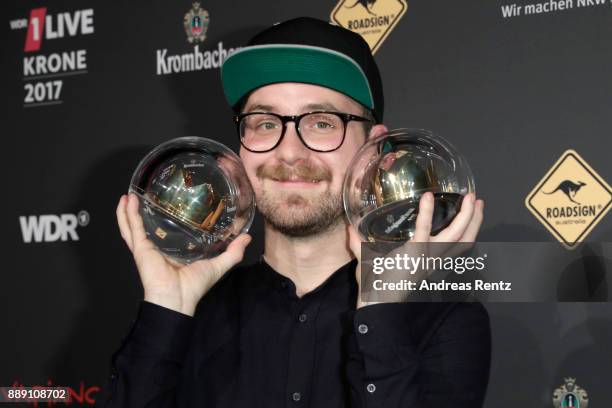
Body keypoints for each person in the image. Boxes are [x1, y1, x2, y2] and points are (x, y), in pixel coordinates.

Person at [101, 17, 490, 408]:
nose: (288, 152)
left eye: (322, 123)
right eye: (266, 123)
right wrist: (168, 306)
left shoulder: (441, 320)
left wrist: (380, 309)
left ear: (374, 148)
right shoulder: (189, 313)